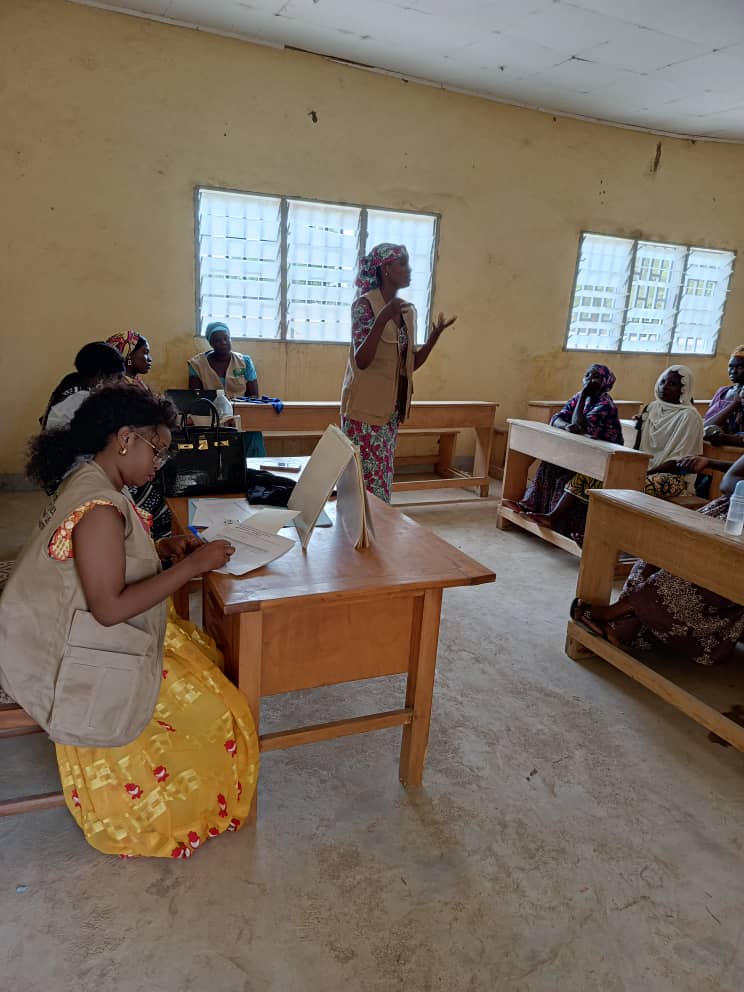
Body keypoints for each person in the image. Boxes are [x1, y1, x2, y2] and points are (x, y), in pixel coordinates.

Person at [0, 383, 258, 858]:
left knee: (200, 655)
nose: (158, 464)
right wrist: (189, 569)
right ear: (124, 438)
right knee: (223, 709)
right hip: (83, 659)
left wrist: (160, 552)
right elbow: (109, 608)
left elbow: (102, 565)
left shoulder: (91, 480)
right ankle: (170, 803)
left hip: (85, 626)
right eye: (156, 450)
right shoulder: (100, 508)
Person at [571, 453, 744, 666]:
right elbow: (730, 482)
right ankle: (623, 624)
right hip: (731, 516)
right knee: (659, 559)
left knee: (697, 583)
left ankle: (616, 614)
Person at [340, 243, 457, 502]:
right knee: (360, 484)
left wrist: (434, 337)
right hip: (364, 411)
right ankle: (355, 537)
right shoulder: (365, 306)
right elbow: (362, 360)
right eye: (402, 263)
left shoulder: (406, 311)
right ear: (387, 269)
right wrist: (382, 319)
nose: (409, 269)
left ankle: (374, 537)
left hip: (390, 411)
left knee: (381, 485)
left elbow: (409, 366)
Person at [527, 366, 705, 534]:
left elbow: (681, 461)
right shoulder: (653, 408)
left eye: (673, 384)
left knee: (625, 487)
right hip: (644, 467)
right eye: (663, 381)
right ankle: (554, 519)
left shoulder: (689, 417)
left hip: (672, 477)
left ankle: (603, 535)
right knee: (591, 476)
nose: (664, 387)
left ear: (684, 390)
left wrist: (644, 472)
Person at [511, 364, 623, 541]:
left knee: (567, 475)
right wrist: (567, 426)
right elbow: (557, 418)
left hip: (604, 460)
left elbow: (580, 425)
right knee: (549, 463)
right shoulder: (580, 397)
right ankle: (531, 506)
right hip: (582, 452)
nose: (589, 380)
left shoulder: (604, 404)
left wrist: (581, 402)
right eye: (587, 375)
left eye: (595, 378)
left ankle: (555, 520)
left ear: (605, 383)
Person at [106, 330, 171, 539]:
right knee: (161, 505)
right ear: (127, 356)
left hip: (132, 456)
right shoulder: (121, 388)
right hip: (125, 460)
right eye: (144, 352)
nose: (149, 358)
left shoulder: (136, 384)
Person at [188, 322, 264, 457]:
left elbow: (254, 395)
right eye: (217, 340)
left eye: (226, 338)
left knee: (253, 431)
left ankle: (252, 470)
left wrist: (238, 408)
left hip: (241, 416)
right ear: (210, 343)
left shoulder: (244, 361)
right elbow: (196, 398)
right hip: (212, 418)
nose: (223, 343)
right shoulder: (197, 364)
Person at [42, 342, 125, 429]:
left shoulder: (73, 391)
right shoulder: (82, 399)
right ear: (101, 376)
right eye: (118, 377)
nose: (122, 383)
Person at [703, 345, 744, 448]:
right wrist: (735, 404)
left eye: (740, 367)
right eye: (731, 366)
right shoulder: (723, 392)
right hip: (713, 443)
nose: (733, 371)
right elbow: (705, 427)